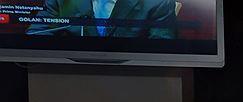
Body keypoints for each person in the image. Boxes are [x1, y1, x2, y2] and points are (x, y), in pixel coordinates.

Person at [27, 0, 176, 39]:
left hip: (138, 83)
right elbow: (35, 36)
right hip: (67, 79)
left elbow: (165, 49)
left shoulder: (157, 2)